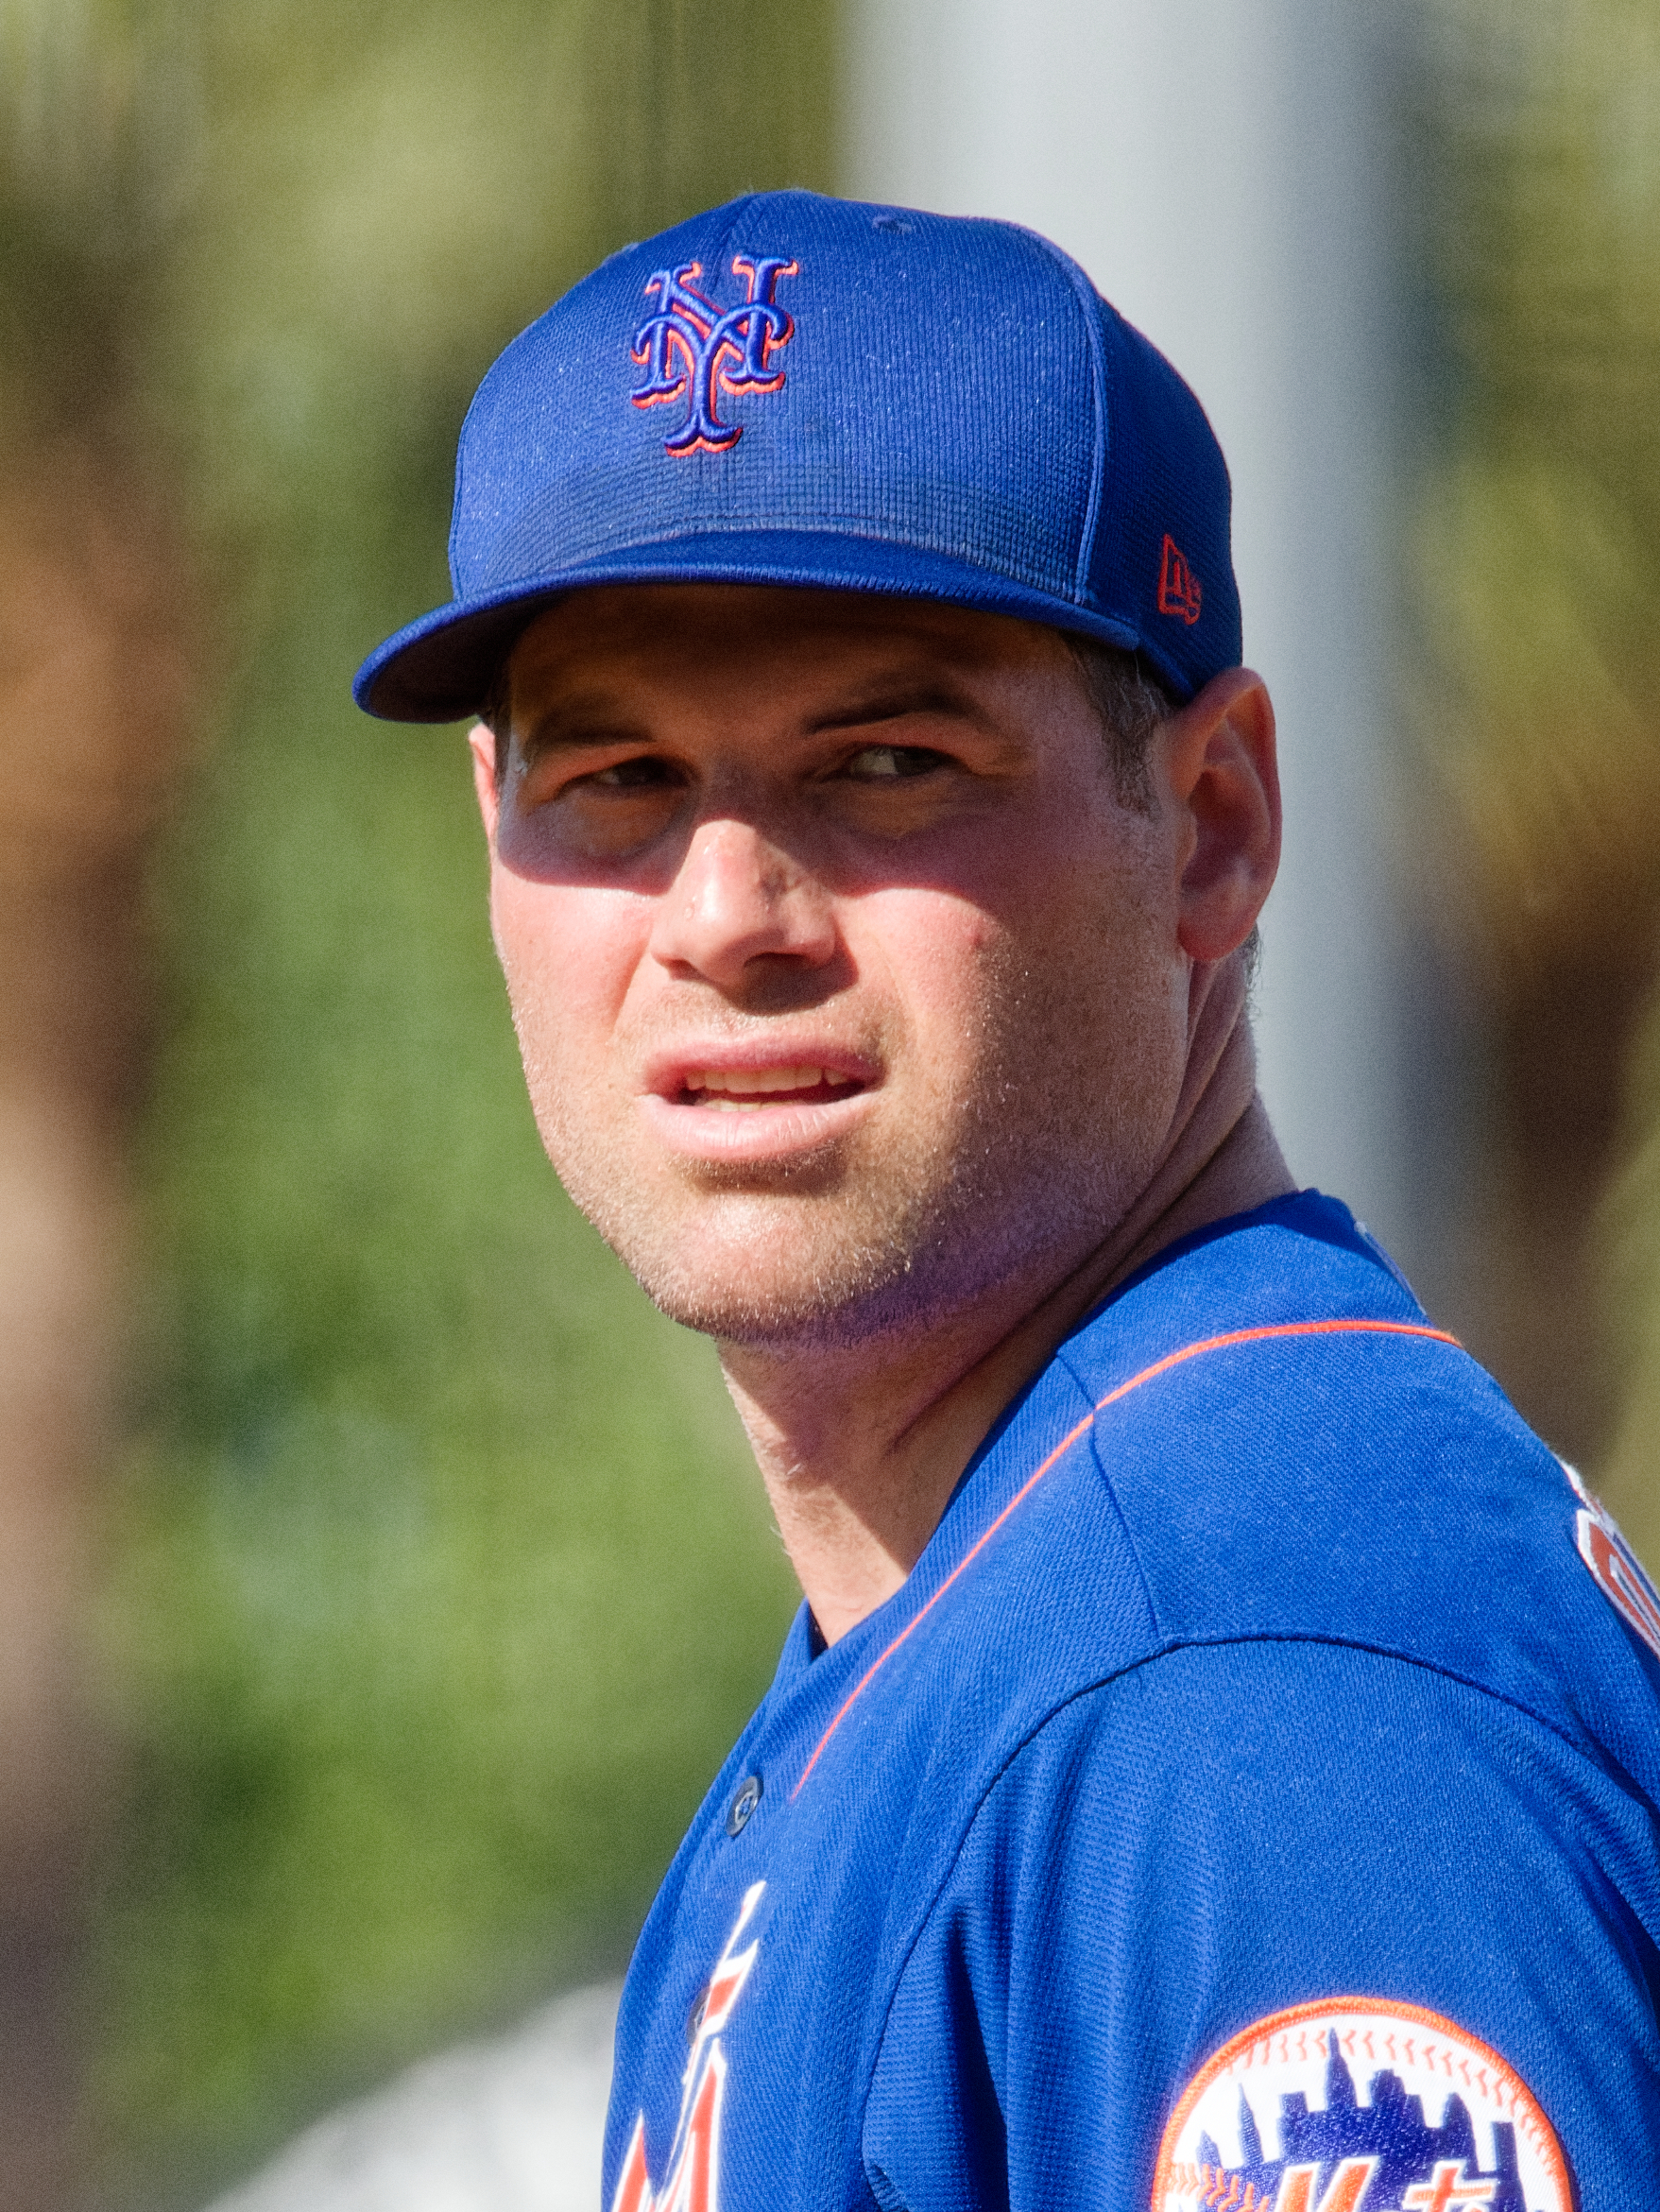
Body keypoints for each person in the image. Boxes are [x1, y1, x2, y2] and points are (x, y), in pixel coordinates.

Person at [355, 192, 1660, 2211]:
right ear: (492, 841)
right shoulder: (1008, 1616)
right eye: (612, 777)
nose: (725, 913)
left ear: (1211, 829)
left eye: (883, 761)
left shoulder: (1241, 1696)